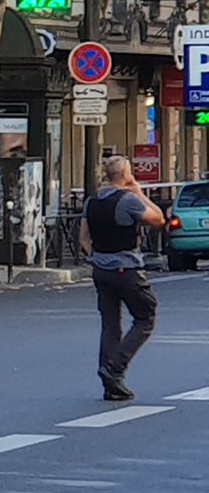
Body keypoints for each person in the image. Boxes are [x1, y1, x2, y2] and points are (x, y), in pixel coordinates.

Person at [79, 155, 165, 401]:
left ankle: (111, 385)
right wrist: (139, 192)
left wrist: (94, 256)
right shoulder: (128, 200)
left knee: (110, 324)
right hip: (125, 268)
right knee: (145, 317)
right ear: (126, 175)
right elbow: (158, 219)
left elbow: (84, 237)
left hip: (101, 270)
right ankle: (114, 368)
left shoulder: (92, 202)